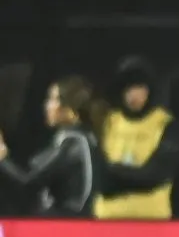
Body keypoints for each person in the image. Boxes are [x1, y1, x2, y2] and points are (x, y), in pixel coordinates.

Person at [0, 76, 105, 217]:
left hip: (68, 225)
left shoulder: (73, 143)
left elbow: (28, 182)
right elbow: (37, 166)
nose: (46, 105)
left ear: (69, 108)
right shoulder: (84, 137)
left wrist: (3, 156)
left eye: (52, 99)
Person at [93, 56, 179, 220]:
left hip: (151, 221)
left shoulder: (165, 124)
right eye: (128, 88)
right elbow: (96, 174)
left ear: (149, 90)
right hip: (107, 219)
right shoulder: (107, 122)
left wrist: (115, 175)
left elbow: (156, 174)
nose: (133, 94)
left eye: (139, 87)